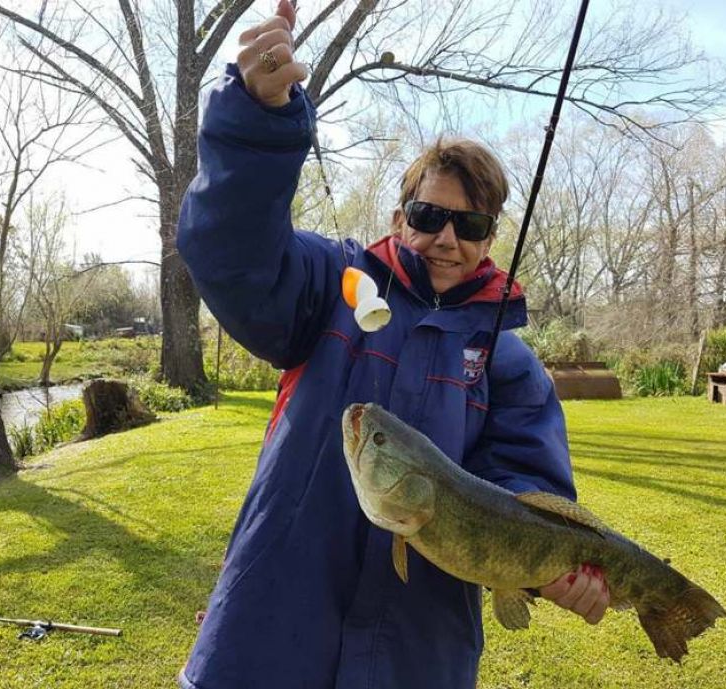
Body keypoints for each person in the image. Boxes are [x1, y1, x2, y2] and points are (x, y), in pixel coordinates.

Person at [176, 2, 608, 687]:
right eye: (430, 215)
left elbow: (527, 493)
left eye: (470, 225)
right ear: (400, 217)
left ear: (491, 237)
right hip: (266, 639)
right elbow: (233, 257)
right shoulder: (333, 284)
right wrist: (257, 123)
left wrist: (552, 572)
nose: (447, 239)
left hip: (418, 658)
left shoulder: (510, 363)